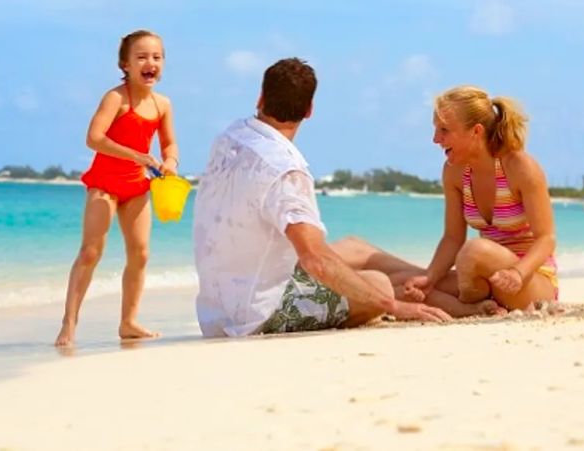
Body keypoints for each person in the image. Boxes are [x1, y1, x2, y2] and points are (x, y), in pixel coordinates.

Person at [193, 58, 452, 338]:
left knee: (356, 248)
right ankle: (436, 293)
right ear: (309, 110)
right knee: (379, 284)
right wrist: (392, 306)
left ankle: (435, 282)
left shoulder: (230, 136)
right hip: (255, 317)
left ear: (261, 98)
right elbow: (315, 259)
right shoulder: (286, 169)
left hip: (216, 309)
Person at [55, 30, 180, 346]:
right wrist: (137, 155)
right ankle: (68, 325)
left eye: (156, 57)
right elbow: (94, 138)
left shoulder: (162, 104)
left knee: (140, 254)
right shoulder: (116, 98)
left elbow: (170, 143)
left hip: (137, 187)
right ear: (125, 64)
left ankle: (128, 322)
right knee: (90, 252)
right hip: (104, 185)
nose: (150, 62)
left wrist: (171, 162)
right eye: (141, 57)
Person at [404, 86, 558, 312]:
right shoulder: (454, 172)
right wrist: (430, 277)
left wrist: (517, 272)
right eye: (436, 129)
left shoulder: (519, 167)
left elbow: (546, 239)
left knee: (474, 250)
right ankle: (480, 306)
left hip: (530, 280)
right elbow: (452, 238)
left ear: (476, 131)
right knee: (406, 284)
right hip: (481, 278)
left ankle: (466, 304)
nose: (436, 139)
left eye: (444, 130)